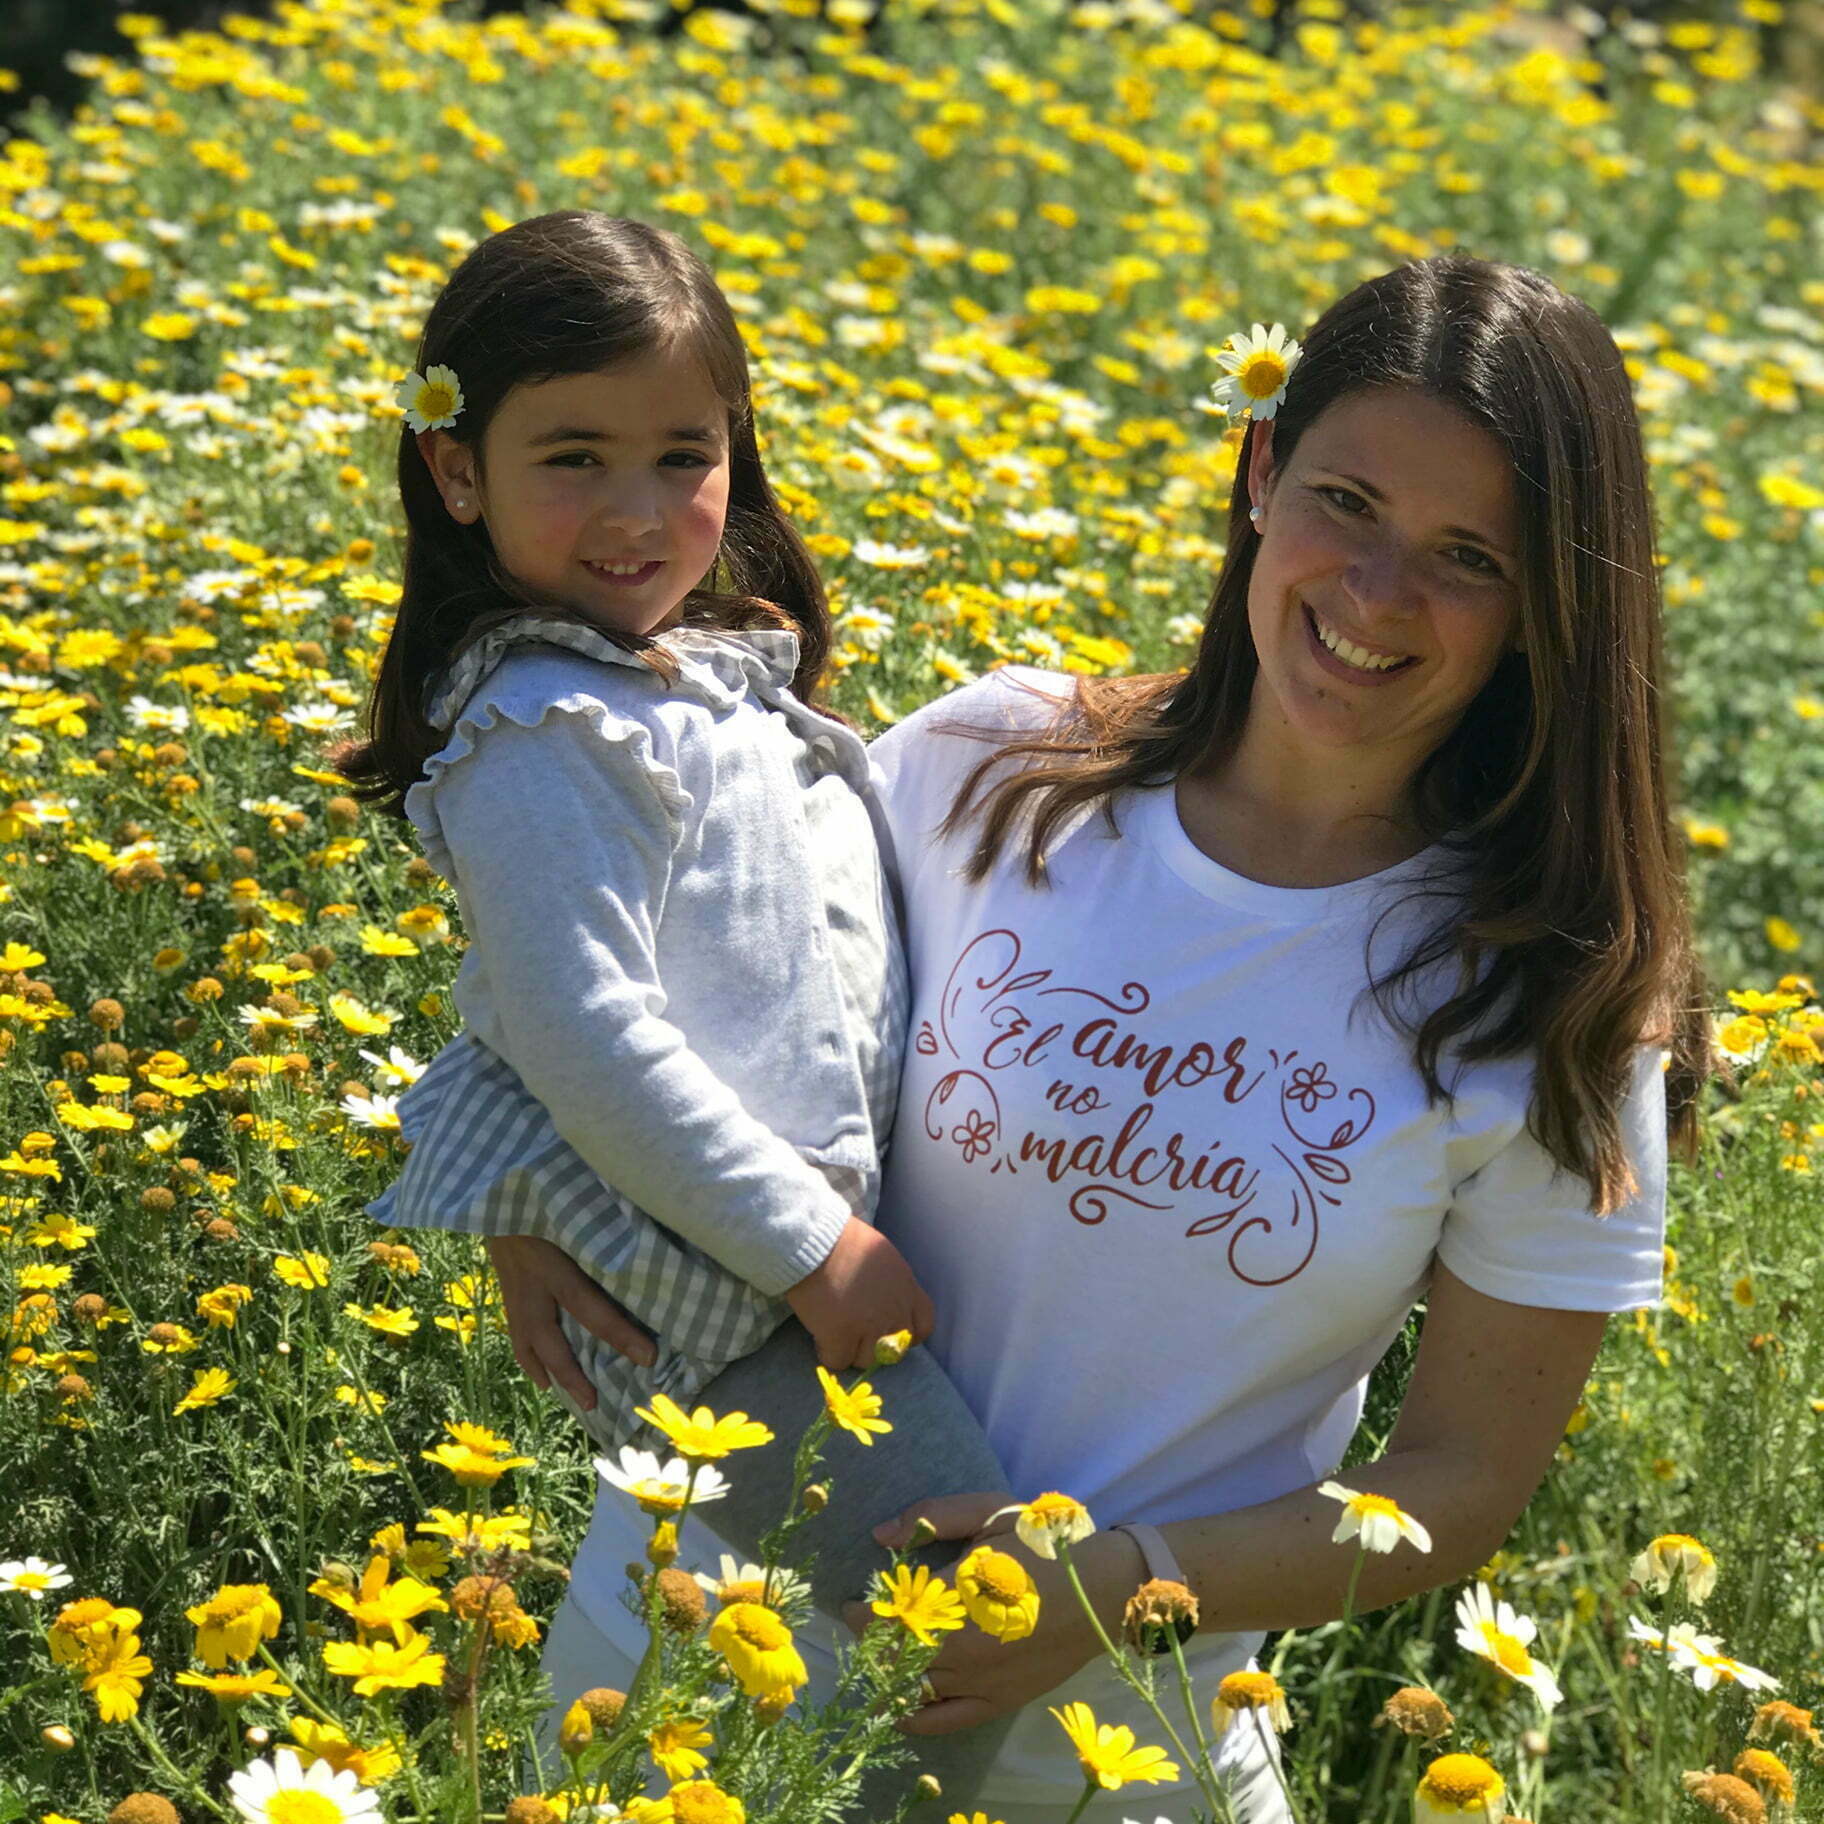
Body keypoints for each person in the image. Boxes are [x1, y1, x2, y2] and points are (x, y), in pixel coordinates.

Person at [509, 251, 1714, 1821]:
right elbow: (655, 982)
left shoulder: (1549, 995)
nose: (1377, 594)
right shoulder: (991, 767)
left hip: (1111, 1763)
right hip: (676, 1652)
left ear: (1552, 601)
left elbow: (1462, 1484)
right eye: (1347, 503)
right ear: (1262, 470)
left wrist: (1117, 1586)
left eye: (1468, 556)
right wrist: (535, 1182)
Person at [327, 210, 1088, 1812]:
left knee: (892, 1655)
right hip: (738, 1290)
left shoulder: (664, 680)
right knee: (956, 1627)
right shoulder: (543, 728)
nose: (638, 510)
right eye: (574, 458)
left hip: (766, 1266)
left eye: (685, 455)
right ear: (456, 471)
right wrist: (817, 1251)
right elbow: (585, 1029)